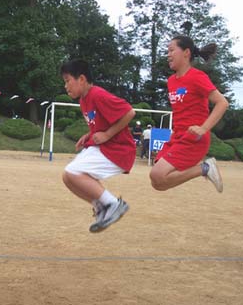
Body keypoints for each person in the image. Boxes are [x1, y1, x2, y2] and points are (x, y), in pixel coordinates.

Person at [61, 59, 136, 233]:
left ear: (81, 79)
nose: (65, 86)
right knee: (68, 177)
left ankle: (113, 204)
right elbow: (100, 124)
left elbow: (129, 112)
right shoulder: (83, 100)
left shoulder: (98, 94)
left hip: (118, 150)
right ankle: (101, 206)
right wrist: (89, 134)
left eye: (67, 81)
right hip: (104, 147)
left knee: (73, 172)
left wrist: (108, 135)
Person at [149, 36, 228, 193]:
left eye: (172, 50)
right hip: (177, 137)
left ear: (186, 53)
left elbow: (222, 103)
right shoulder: (171, 80)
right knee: (157, 182)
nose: (168, 54)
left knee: (157, 174)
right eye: (167, 51)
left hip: (194, 138)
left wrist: (203, 128)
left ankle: (204, 168)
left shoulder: (197, 76)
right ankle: (204, 168)